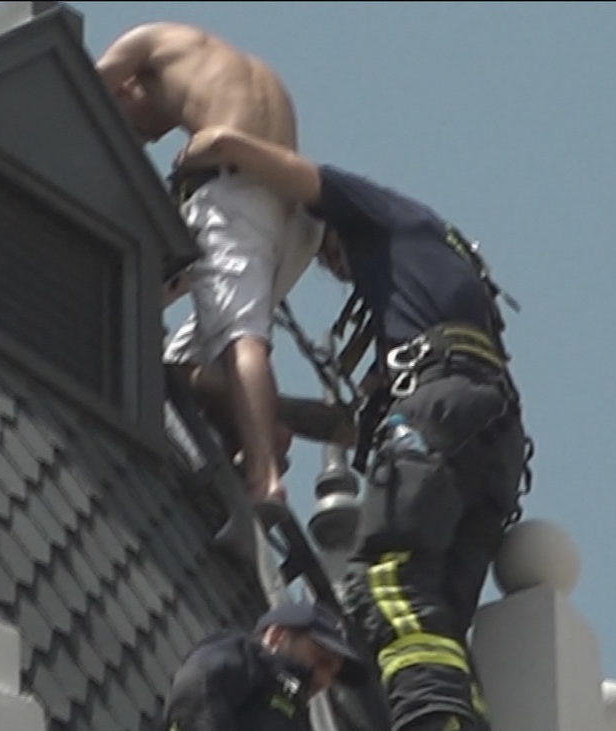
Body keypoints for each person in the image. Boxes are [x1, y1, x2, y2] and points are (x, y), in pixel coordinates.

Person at [176, 126, 532, 731]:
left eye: (329, 252)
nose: (334, 267)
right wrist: (255, 404)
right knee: (436, 615)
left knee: (386, 582)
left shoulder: (388, 219)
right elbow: (350, 428)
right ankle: (458, 717)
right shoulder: (433, 302)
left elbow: (289, 170)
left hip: (441, 413)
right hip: (487, 442)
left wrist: (211, 150)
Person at [94, 22, 323, 516]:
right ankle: (262, 424)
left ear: (130, 85)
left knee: (240, 338)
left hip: (233, 194)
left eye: (137, 128)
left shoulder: (148, 42)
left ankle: (264, 475)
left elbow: (84, 97)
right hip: (290, 216)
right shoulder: (247, 73)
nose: (146, 138)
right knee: (174, 365)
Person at [163, 601, 369, 731]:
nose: (324, 680)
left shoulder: (294, 711)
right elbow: (198, 688)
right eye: (321, 661)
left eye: (332, 675)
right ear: (276, 636)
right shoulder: (241, 657)